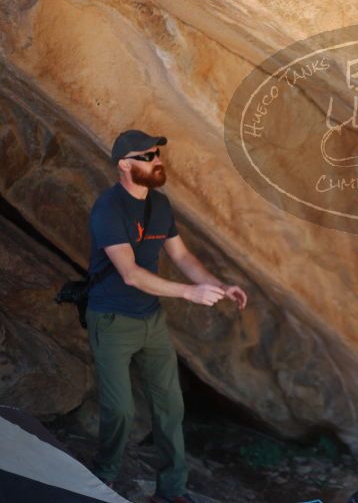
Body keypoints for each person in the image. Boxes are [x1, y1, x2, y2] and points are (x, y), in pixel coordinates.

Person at [86, 129, 248, 503]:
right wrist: (190, 293)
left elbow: (182, 257)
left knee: (170, 406)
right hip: (112, 320)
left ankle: (171, 491)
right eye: (148, 156)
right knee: (120, 409)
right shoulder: (108, 209)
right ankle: (103, 475)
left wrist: (218, 285)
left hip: (151, 321)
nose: (157, 160)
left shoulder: (159, 205)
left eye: (157, 153)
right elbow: (130, 273)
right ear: (125, 165)